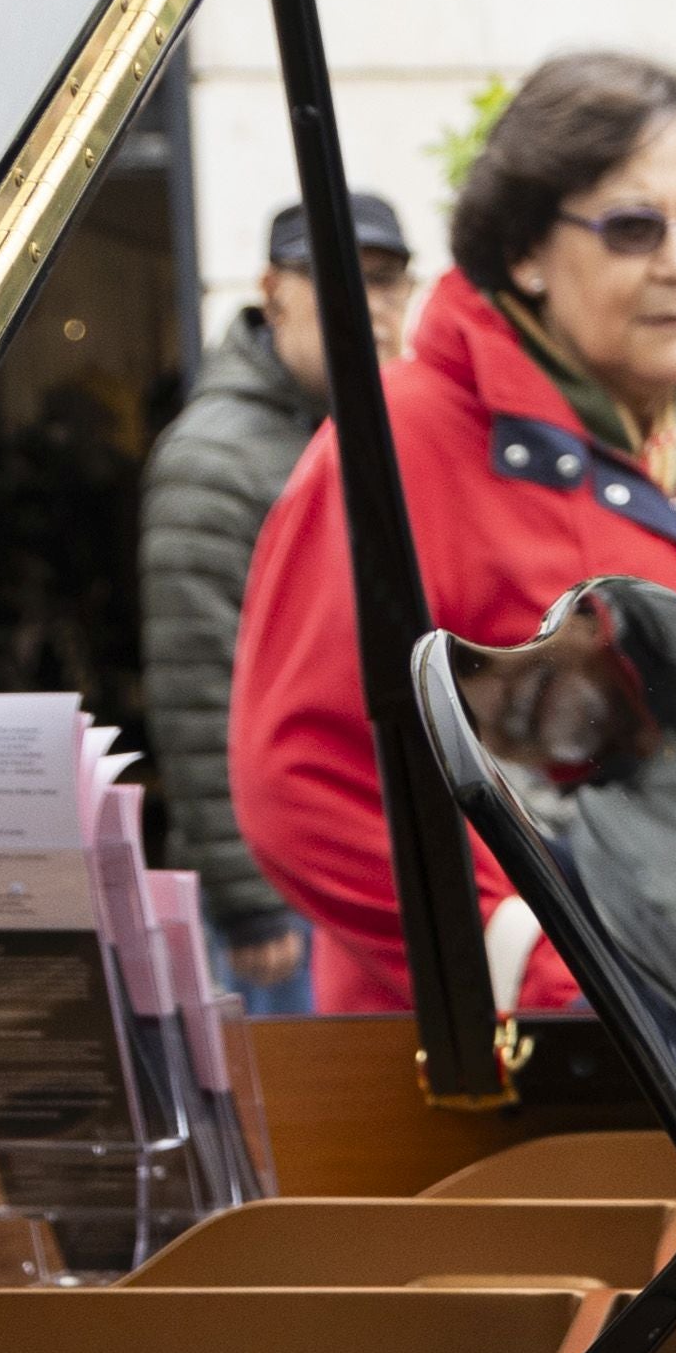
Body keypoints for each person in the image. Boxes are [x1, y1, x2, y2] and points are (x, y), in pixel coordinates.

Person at [230, 55, 676, 1023]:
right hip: (546, 1088)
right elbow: (306, 774)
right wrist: (556, 975)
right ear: (524, 251)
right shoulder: (402, 439)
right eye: (634, 227)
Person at [145, 198, 414, 1019]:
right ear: (275, 291)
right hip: (279, 885)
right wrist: (247, 895)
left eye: (389, 280)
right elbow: (198, 686)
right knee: (299, 1132)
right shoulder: (214, 457)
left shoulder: (380, 430)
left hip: (370, 860)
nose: (369, 302)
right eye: (338, 276)